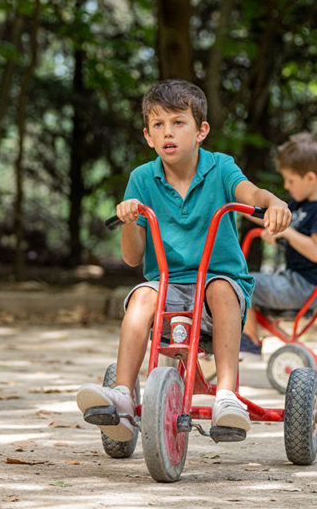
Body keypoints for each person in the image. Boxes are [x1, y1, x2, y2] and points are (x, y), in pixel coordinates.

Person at [76, 79, 291, 441]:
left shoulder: (220, 168)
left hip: (217, 290)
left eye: (178, 122)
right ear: (148, 136)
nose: (168, 133)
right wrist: (130, 220)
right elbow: (132, 258)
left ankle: (226, 395)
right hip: (167, 291)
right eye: (158, 125)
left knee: (221, 286)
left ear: (201, 130)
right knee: (143, 294)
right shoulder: (141, 179)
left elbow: (251, 194)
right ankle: (124, 397)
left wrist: (275, 204)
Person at [240, 132, 317, 354]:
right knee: (243, 281)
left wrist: (287, 233)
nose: (286, 186)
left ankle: (249, 341)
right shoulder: (299, 204)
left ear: (311, 178)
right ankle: (249, 335)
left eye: (291, 180)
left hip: (304, 288)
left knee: (241, 283)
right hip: (291, 281)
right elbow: (268, 216)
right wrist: (236, 205)